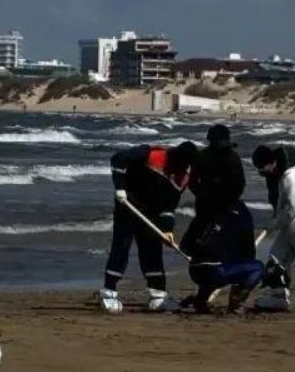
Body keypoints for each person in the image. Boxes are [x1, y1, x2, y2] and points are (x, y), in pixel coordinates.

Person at [101, 139, 198, 313]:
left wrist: (167, 230)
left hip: (152, 215)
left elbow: (169, 207)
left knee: (152, 251)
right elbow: (118, 159)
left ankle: (158, 294)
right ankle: (109, 292)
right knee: (121, 248)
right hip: (128, 206)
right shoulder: (151, 154)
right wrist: (120, 188)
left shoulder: (181, 178)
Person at [250, 144, 295, 312]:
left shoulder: (293, 173)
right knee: (276, 258)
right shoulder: (273, 173)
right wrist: (276, 215)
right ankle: (278, 296)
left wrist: (276, 223)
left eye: (263, 167)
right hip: (287, 218)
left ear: (272, 162)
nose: (261, 172)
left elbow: (293, 205)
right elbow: (276, 198)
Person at [180, 200, 264, 314]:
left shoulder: (204, 211)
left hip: (195, 270)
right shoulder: (240, 212)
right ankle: (236, 303)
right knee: (257, 267)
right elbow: (248, 249)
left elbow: (184, 247)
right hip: (218, 271)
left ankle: (200, 299)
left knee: (210, 263)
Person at [182, 123, 247, 256]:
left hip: (216, 205)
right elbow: (240, 184)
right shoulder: (230, 157)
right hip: (213, 205)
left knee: (201, 240)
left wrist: (202, 194)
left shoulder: (207, 156)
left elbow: (192, 182)